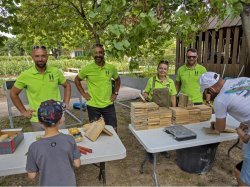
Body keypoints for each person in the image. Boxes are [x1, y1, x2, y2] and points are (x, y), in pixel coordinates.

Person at [199, 71, 250, 186]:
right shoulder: (242, 79)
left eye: (207, 90)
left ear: (211, 88)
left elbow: (220, 128)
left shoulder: (220, 100)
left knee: (242, 176)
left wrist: (239, 131)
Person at [10, 46, 71, 131]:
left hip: (57, 118)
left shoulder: (55, 71)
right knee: (41, 143)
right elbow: (13, 93)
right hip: (37, 120)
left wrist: (66, 102)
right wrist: (23, 111)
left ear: (47, 57)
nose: (40, 59)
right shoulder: (26, 75)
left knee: (61, 143)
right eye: (37, 56)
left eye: (43, 56)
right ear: (32, 57)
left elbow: (67, 85)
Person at [26, 99, 81, 186]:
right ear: (60, 120)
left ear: (39, 121)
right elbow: (77, 164)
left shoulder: (34, 147)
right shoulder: (70, 139)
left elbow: (32, 175)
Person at [74, 44, 121, 131]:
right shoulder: (87, 69)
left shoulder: (111, 68)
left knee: (113, 129)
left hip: (108, 104)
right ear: (93, 55)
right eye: (95, 53)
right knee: (95, 131)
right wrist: (83, 94)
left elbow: (118, 80)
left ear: (103, 53)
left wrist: (115, 93)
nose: (98, 55)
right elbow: (76, 80)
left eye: (100, 52)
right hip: (93, 105)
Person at [143, 60, 176, 161]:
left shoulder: (170, 82)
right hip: (153, 110)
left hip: (165, 111)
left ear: (167, 70)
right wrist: (144, 96)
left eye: (165, 69)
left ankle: (163, 149)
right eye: (161, 68)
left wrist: (174, 110)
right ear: (157, 69)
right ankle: (150, 152)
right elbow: (146, 92)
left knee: (165, 131)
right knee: (152, 131)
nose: (162, 70)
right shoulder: (151, 80)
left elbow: (173, 97)